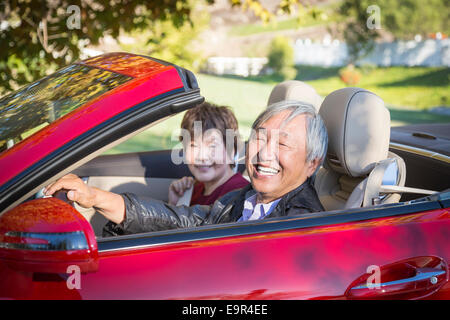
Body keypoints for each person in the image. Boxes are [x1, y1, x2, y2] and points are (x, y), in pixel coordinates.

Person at [44, 101, 328, 236]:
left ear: (312, 163)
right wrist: (94, 197)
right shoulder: (242, 199)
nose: (265, 153)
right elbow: (183, 220)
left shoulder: (299, 224)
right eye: (261, 138)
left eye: (283, 145)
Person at [168, 102, 249, 206]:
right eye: (193, 145)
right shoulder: (194, 189)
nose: (202, 156)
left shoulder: (238, 194)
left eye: (212, 145)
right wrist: (175, 203)